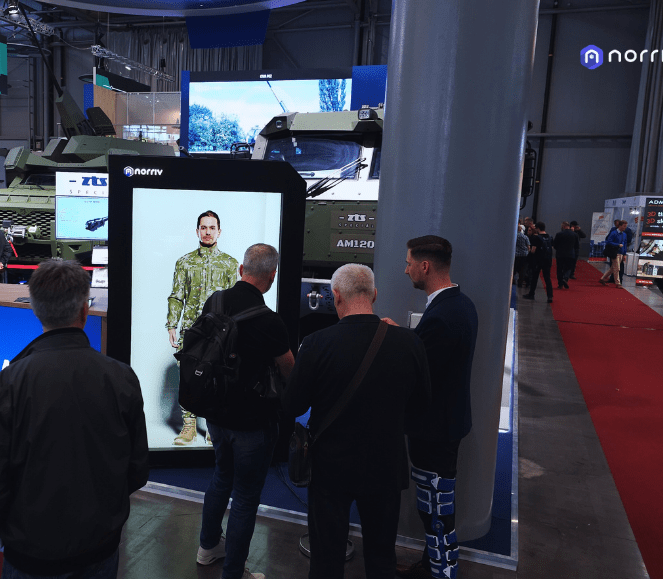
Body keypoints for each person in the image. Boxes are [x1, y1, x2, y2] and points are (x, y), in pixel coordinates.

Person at [0, 259, 148, 579]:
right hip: (100, 547)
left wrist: (6, 527)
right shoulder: (121, 378)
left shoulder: (6, 386)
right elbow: (137, 469)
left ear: (35, 310)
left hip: (29, 553)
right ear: (84, 309)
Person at [284, 263, 431, 579]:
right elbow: (422, 407)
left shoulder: (316, 343)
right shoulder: (410, 343)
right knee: (381, 558)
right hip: (386, 467)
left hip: (330, 469)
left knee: (326, 560)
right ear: (374, 295)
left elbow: (293, 404)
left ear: (335, 296)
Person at [195, 243, 295, 579]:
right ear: (272, 276)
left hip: (215, 414)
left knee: (221, 476)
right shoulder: (271, 321)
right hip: (253, 422)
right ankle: (234, 573)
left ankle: (208, 548)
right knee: (246, 497)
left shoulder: (215, 301)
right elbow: (289, 370)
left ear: (241, 269)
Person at [395, 235, 479, 579]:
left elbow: (421, 374)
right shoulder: (460, 304)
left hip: (434, 429)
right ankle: (435, 563)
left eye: (409, 262)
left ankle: (442, 571)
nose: (406, 270)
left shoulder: (442, 317)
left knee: (435, 507)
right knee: (436, 502)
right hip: (446, 422)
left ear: (424, 266)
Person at [166, 210, 239, 445]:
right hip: (191, 329)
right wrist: (171, 325)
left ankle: (211, 427)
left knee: (217, 375)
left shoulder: (230, 264)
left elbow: (233, 301)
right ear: (197, 230)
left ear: (219, 231)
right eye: (203, 227)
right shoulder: (185, 262)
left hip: (219, 332)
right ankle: (188, 426)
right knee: (188, 376)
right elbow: (177, 296)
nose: (207, 232)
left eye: (212, 227)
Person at [523, 222, 553, 303]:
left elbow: (533, 250)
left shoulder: (536, 238)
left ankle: (531, 294)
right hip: (548, 260)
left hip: (538, 260)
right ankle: (550, 296)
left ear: (538, 228)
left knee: (534, 277)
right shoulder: (550, 237)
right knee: (547, 278)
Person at [599, 220, 628, 288]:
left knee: (613, 268)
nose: (625, 228)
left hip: (621, 253)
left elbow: (625, 244)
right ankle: (618, 283)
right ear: (620, 226)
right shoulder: (613, 233)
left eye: (625, 226)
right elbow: (608, 242)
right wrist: (617, 245)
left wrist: (624, 254)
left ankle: (602, 278)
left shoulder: (624, 234)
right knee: (617, 268)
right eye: (624, 226)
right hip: (615, 253)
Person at [552, 221, 578, 288]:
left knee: (559, 269)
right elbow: (577, 246)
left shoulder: (559, 234)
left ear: (563, 226)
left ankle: (560, 284)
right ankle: (565, 278)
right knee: (569, 268)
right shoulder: (574, 234)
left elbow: (555, 244)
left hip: (560, 254)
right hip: (570, 254)